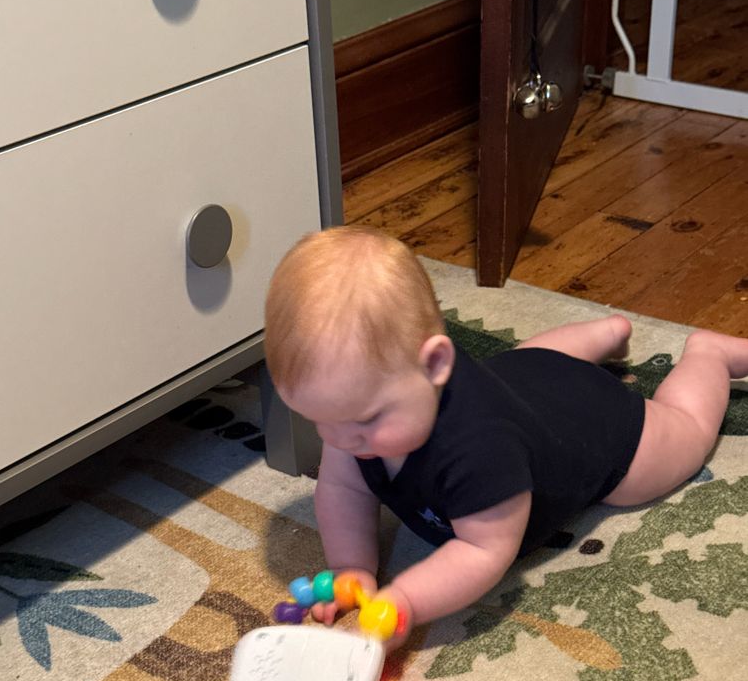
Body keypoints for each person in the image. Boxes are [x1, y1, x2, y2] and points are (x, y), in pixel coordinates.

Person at [264, 225, 748, 652]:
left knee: (682, 433)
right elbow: (343, 489)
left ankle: (709, 356)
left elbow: (483, 551)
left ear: (436, 364)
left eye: (365, 419)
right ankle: (605, 333)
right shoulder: (352, 415)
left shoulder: (480, 450)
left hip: (599, 428)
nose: (343, 439)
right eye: (319, 419)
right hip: (528, 378)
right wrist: (353, 568)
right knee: (529, 362)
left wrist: (405, 601)